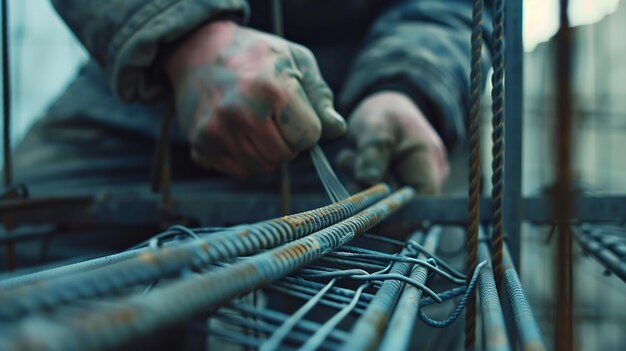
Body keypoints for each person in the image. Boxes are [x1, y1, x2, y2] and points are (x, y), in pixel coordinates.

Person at [13, 0, 492, 197]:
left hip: (342, 109)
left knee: (420, 268)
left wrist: (405, 85)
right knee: (25, 233)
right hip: (138, 75)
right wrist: (185, 36)